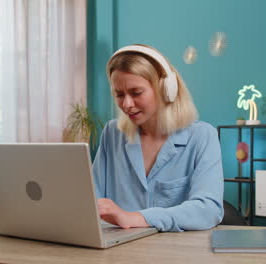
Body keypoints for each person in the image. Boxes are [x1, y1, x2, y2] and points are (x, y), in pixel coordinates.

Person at [92, 44, 224, 232]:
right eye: (119, 95)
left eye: (136, 93)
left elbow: (209, 210)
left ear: (165, 89)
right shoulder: (112, 133)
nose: (127, 104)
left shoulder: (202, 136)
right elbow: (93, 199)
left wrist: (137, 218)